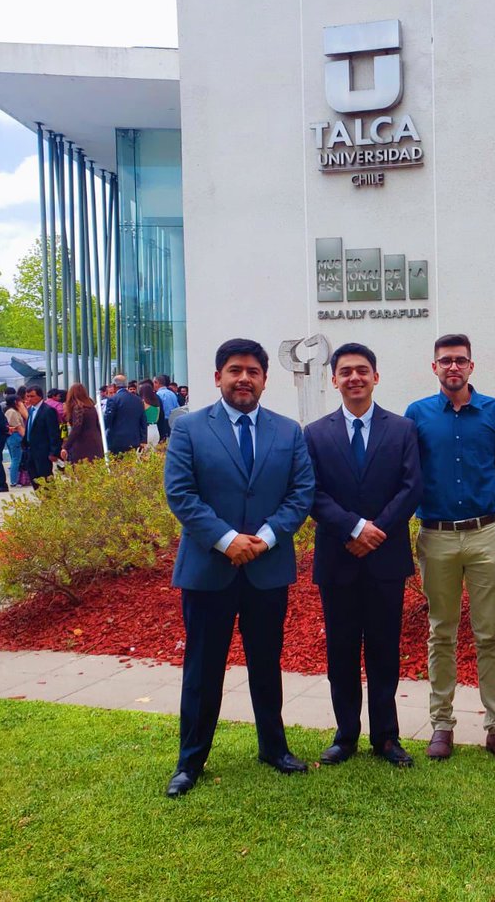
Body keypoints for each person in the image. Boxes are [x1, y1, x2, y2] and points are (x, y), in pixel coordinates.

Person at [162, 338, 315, 799]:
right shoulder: (189, 429)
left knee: (266, 664)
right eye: (235, 370)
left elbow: (301, 493)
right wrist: (228, 540)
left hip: (267, 569)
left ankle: (274, 748)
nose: (244, 378)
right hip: (209, 569)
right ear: (218, 377)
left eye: (253, 371)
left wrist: (264, 538)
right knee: (203, 668)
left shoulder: (288, 432)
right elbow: (181, 493)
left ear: (265, 380)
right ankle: (190, 761)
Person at [304, 342, 423, 768]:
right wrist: (353, 528)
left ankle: (386, 737)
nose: (354, 377)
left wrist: (375, 531)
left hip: (385, 559)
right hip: (338, 557)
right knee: (341, 652)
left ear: (376, 376)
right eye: (346, 371)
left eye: (362, 370)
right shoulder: (315, 433)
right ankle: (346, 735)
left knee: (384, 651)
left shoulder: (403, 429)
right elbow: (311, 492)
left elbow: (411, 487)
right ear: (334, 379)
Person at [405, 333, 495, 764]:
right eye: (445, 360)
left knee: (490, 634)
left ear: (472, 365)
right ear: (433, 367)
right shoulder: (417, 415)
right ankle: (441, 724)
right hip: (436, 536)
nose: (453, 367)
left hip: (485, 533)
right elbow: (411, 471)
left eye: (460, 360)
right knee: (441, 632)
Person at [24, 386, 62, 489]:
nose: (29, 399)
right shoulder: (30, 410)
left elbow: (54, 432)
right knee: (34, 478)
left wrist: (54, 452)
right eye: (27, 396)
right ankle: (41, 497)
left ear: (40, 396)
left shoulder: (48, 410)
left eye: (32, 396)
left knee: (46, 478)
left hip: (43, 451)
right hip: (30, 450)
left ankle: (50, 498)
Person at [61, 383, 105, 465]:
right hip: (96, 441)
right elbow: (97, 425)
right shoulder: (91, 406)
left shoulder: (78, 407)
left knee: (82, 468)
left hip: (82, 444)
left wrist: (66, 447)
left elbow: (76, 428)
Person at [103, 374, 148, 454]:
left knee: (117, 461)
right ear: (126, 385)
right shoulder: (138, 400)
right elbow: (143, 420)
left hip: (116, 441)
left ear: (114, 386)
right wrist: (143, 439)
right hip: (134, 440)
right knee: (132, 461)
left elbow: (108, 419)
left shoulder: (113, 400)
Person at [4, 395, 24, 487]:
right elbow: (18, 426)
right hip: (15, 436)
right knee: (16, 459)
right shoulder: (12, 412)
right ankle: (14, 481)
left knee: (14, 458)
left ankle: (14, 480)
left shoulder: (10, 411)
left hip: (12, 436)